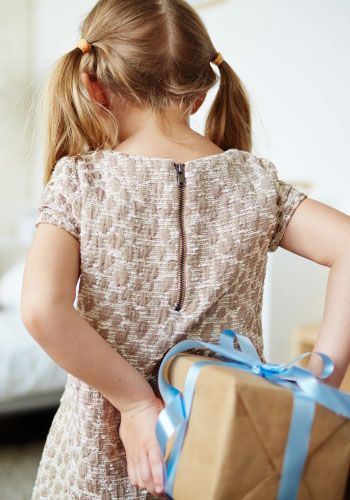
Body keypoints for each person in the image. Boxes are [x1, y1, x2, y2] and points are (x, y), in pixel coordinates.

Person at [20, 0, 350, 499]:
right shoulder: (255, 183)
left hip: (99, 457)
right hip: (225, 448)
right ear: (200, 93)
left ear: (94, 85)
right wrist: (323, 378)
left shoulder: (80, 181)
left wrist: (135, 404)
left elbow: (42, 309)